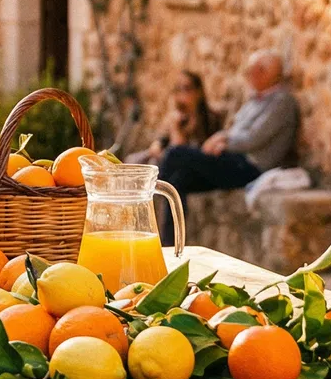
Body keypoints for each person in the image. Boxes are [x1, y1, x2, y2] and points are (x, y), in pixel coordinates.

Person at [157, 50, 300, 239]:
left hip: (250, 167)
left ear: (265, 72)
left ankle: (152, 212)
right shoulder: (254, 100)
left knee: (176, 154)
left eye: (255, 70)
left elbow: (254, 138)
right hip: (234, 160)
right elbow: (234, 130)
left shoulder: (282, 101)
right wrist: (224, 138)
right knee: (179, 181)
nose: (249, 74)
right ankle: (170, 244)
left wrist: (224, 140)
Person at [128, 70, 222, 168]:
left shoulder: (209, 119)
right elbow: (160, 142)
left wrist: (176, 128)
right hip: (167, 160)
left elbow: (179, 151)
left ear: (198, 92)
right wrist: (157, 145)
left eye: (186, 88)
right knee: (132, 161)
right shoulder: (177, 117)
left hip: (192, 165)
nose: (181, 94)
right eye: (177, 89)